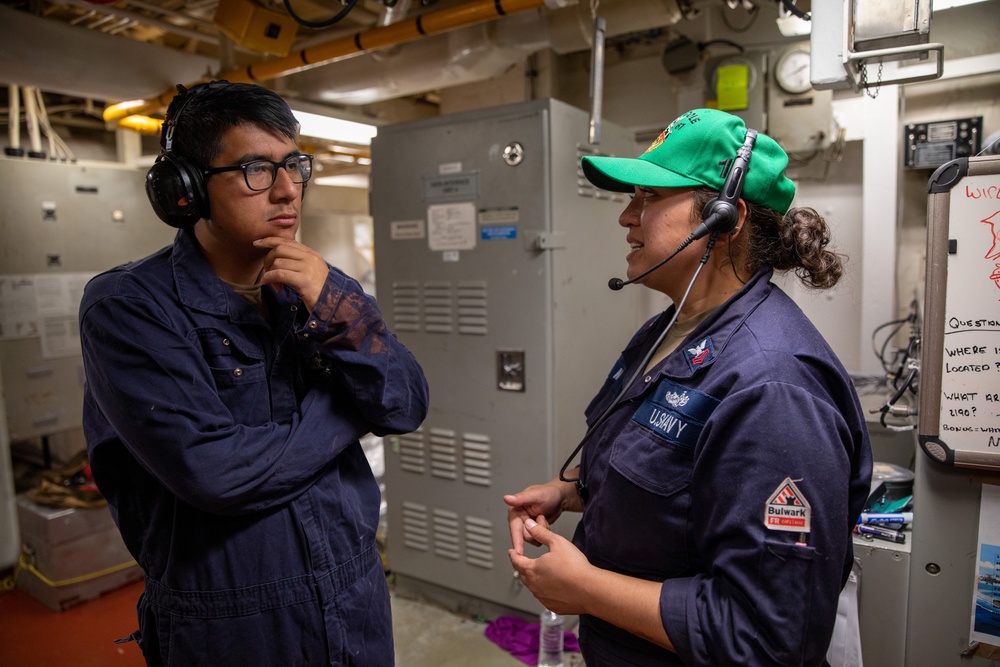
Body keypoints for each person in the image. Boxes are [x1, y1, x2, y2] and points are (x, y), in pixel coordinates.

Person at [505, 108, 872, 666]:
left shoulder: (774, 387)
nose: (627, 216)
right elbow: (678, 481)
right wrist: (573, 492)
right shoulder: (667, 331)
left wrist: (585, 589)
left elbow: (770, 637)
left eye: (650, 198)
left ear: (726, 219)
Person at [79, 81, 429, 666]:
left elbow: (406, 402)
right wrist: (348, 406)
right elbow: (216, 473)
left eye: (293, 164)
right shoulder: (130, 307)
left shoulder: (314, 286)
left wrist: (337, 301)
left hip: (353, 593)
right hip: (232, 621)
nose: (289, 188)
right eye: (255, 169)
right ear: (186, 190)